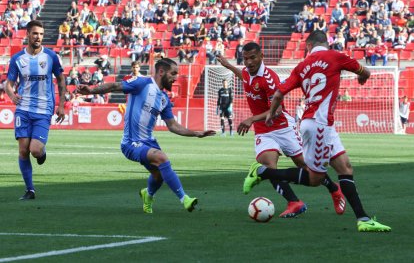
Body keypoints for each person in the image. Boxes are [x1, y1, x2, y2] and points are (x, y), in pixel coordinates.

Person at [249, 30, 392, 232]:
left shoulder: (302, 66)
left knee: (345, 167)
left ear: (308, 46)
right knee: (315, 178)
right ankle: (263, 172)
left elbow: (280, 93)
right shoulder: (335, 56)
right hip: (319, 124)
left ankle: (363, 219)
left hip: (319, 123)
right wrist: (363, 77)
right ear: (326, 43)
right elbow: (365, 71)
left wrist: (271, 113)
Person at [216, 43, 345, 218]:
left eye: (252, 58)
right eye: (245, 58)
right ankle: (294, 202)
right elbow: (245, 77)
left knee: (305, 166)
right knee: (268, 166)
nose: (249, 62)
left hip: (284, 127)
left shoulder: (270, 78)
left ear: (261, 56)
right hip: (264, 130)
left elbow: (276, 111)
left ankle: (334, 189)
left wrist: (251, 119)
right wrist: (229, 66)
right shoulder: (248, 72)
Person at [77, 58, 216, 213]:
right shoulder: (142, 83)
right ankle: (185, 199)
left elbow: (173, 125)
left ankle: (147, 195)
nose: (176, 77)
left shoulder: (163, 99)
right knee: (162, 158)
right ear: (161, 72)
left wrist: (197, 133)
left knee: (158, 175)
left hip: (149, 142)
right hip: (131, 143)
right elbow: (115, 85)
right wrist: (91, 90)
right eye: (173, 73)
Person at [5, 20, 66, 200]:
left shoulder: (51, 57)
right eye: (35, 34)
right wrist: (12, 95)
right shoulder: (18, 59)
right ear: (28, 35)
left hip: (43, 109)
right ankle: (30, 190)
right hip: (23, 109)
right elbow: (9, 84)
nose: (38, 37)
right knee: (23, 150)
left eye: (41, 34)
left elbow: (61, 80)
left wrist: (61, 104)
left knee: (36, 151)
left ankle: (42, 153)